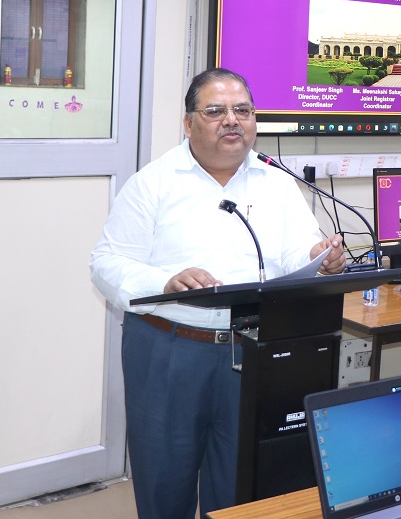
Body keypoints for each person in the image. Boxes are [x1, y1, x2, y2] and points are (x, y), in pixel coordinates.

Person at [91, 67, 345, 519]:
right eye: (215, 111)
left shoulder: (276, 182)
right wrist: (165, 282)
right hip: (170, 350)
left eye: (242, 110)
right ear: (188, 123)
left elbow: (295, 251)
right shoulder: (154, 182)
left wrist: (319, 256)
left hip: (253, 350)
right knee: (164, 485)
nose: (232, 120)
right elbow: (107, 263)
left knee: (240, 486)